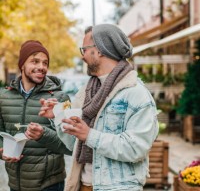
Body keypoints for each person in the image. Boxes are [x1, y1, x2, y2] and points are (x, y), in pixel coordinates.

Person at [39, 24, 159, 191]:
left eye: (84, 50)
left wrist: (90, 135)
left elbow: (136, 148)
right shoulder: (86, 91)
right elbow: (74, 143)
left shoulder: (136, 93)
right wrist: (58, 116)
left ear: (100, 50)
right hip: (83, 185)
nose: (82, 57)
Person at [0, 40, 72, 191]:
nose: (41, 67)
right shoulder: (3, 97)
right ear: (22, 65)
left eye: (45, 63)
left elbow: (70, 146)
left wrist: (43, 135)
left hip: (49, 185)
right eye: (35, 61)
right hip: (15, 184)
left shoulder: (61, 98)